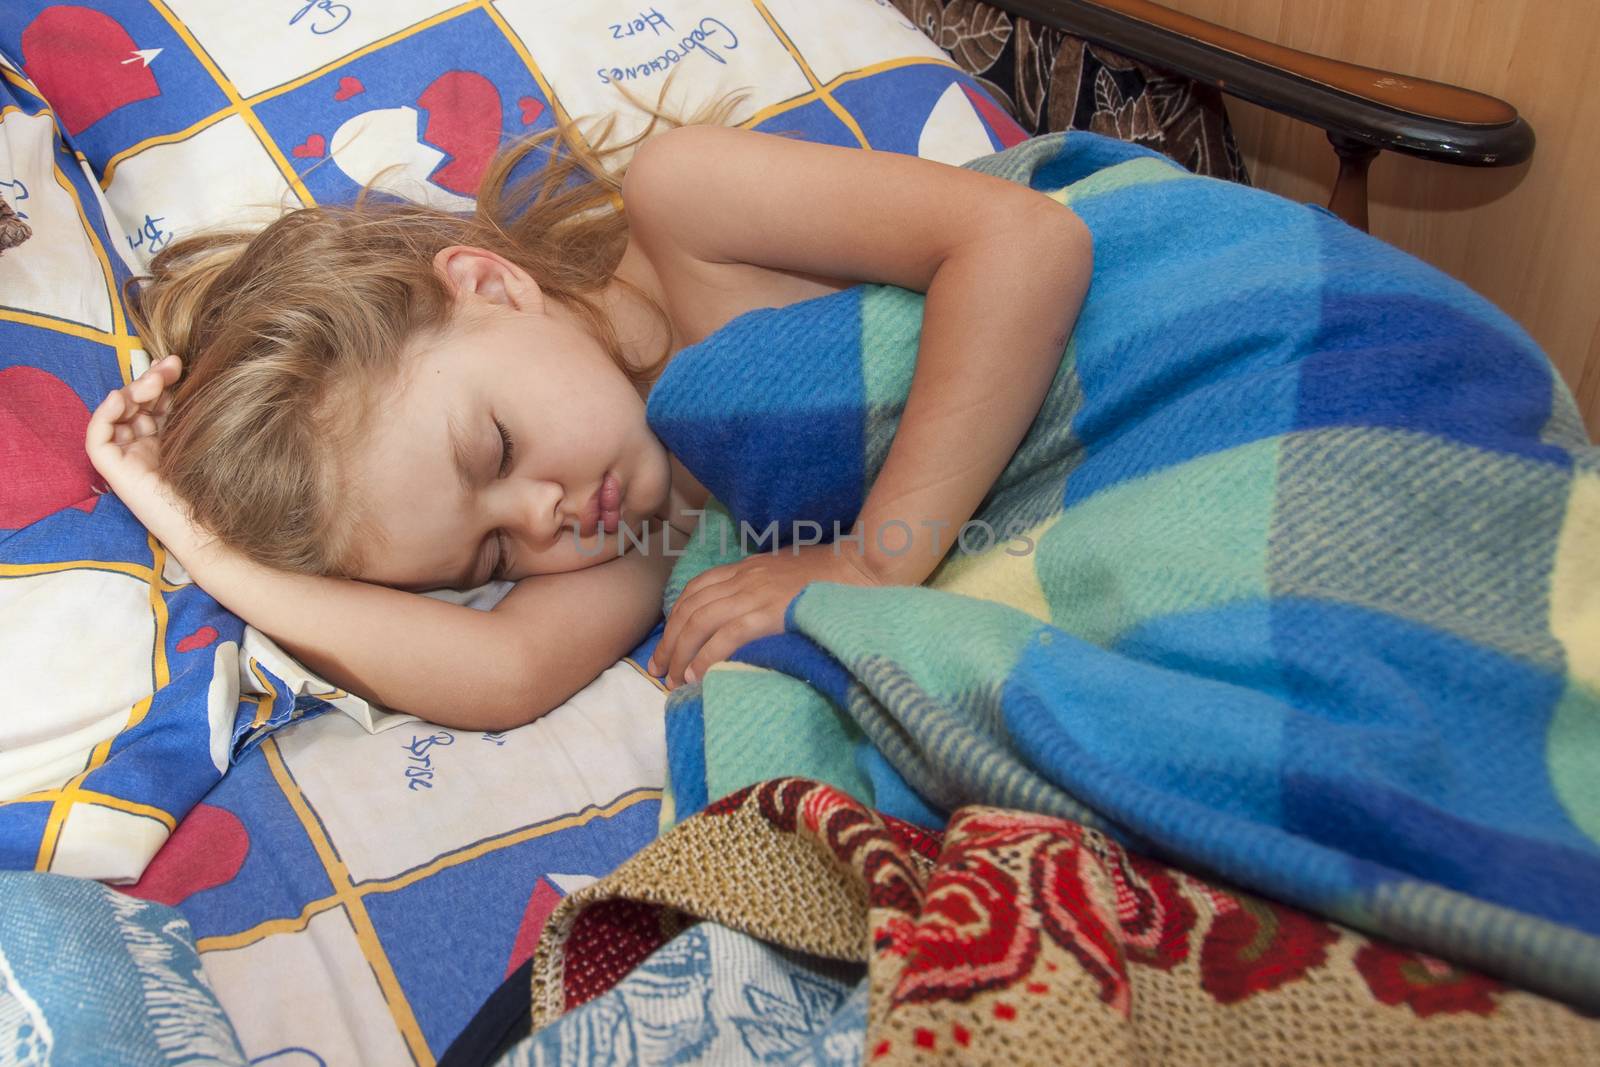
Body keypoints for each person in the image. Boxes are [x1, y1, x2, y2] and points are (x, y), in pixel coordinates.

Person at [85, 104, 1093, 732]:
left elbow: (1023, 241)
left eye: (497, 449)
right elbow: (502, 670)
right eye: (489, 560)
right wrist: (203, 546)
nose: (542, 519)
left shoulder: (690, 202)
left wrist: (872, 560)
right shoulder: (653, 525)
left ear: (490, 283)